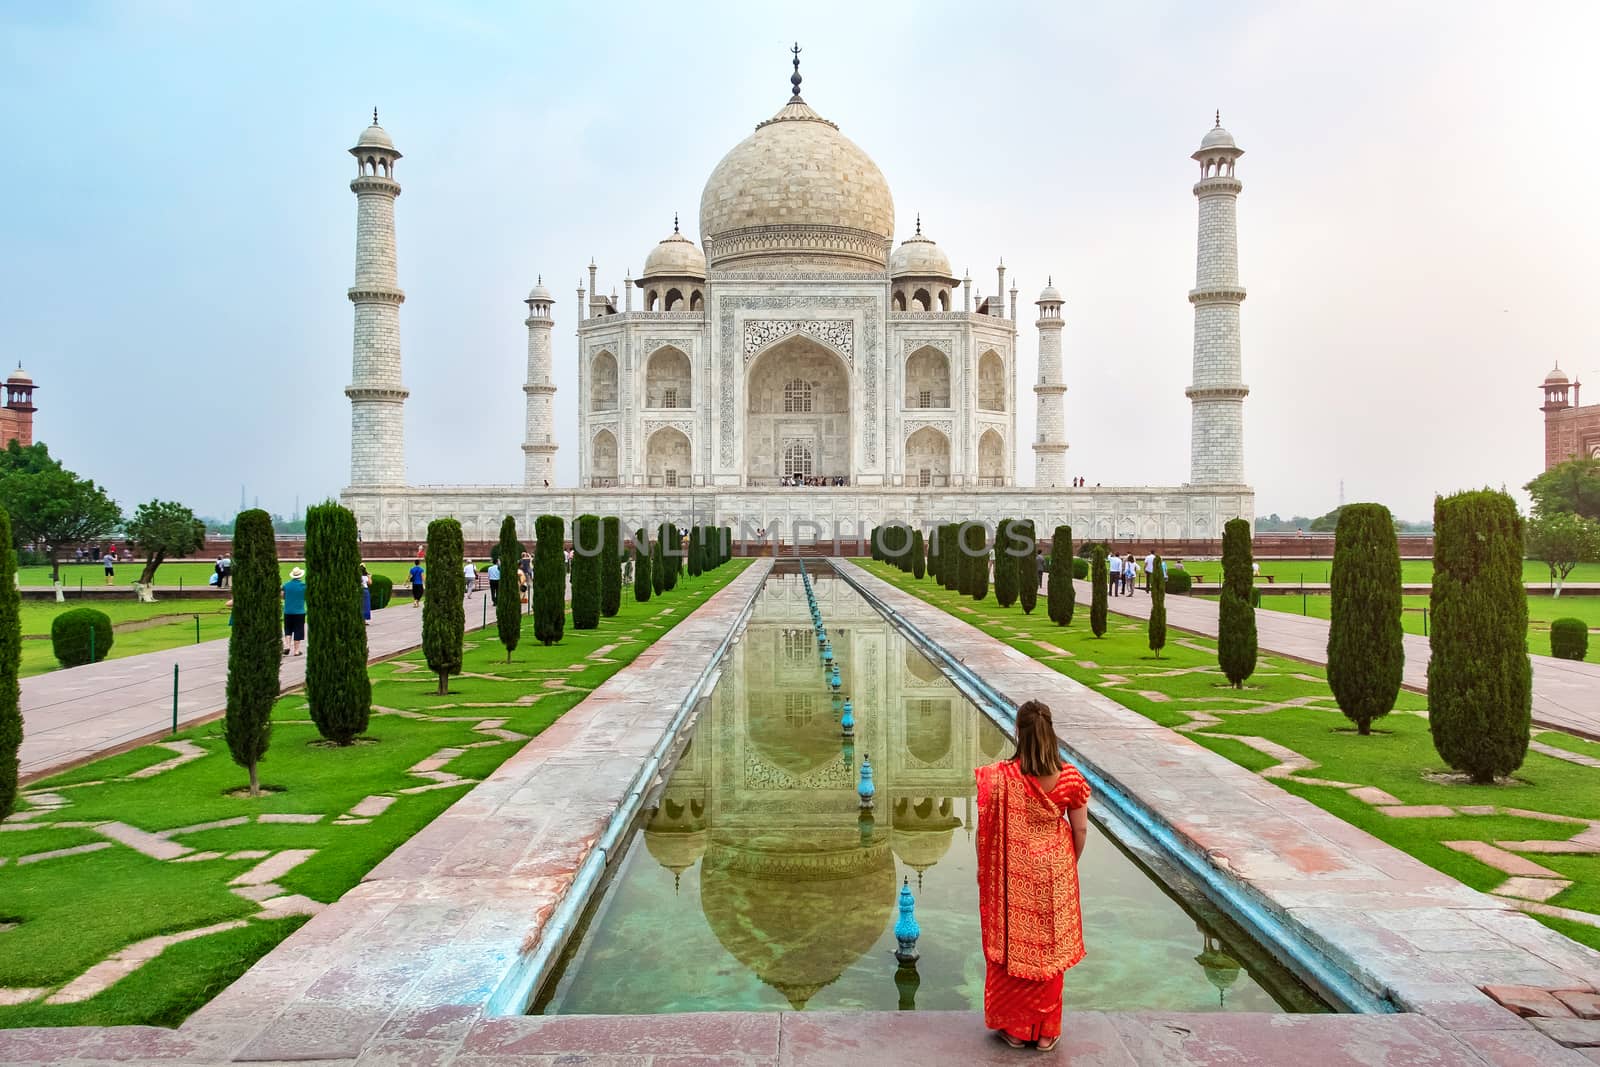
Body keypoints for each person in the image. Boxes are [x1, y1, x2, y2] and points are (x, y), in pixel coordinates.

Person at [976, 700, 1090, 1050]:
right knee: (1049, 953)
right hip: (1053, 872)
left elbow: (985, 825)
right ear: (1051, 731)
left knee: (1015, 951)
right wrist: (1067, 862)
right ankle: (1045, 1033)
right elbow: (1081, 830)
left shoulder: (1001, 776)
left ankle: (1015, 1030)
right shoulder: (1069, 777)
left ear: (1017, 732)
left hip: (1014, 874)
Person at [282, 566, 307, 657]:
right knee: (298, 630)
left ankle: (287, 646)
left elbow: (282, 595)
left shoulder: (286, 585)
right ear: (300, 576)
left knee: (288, 629)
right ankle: (296, 651)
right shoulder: (304, 586)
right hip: (299, 612)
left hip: (288, 611)